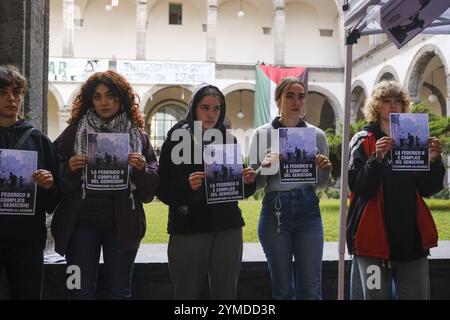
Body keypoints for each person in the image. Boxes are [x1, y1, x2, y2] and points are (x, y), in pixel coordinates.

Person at [51, 70, 159, 299]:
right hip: (78, 226)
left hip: (123, 226)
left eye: (110, 95)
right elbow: (52, 179)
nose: (104, 102)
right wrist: (69, 168)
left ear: (121, 98)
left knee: (120, 292)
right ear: (90, 100)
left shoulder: (138, 137)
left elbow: (150, 191)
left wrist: (141, 170)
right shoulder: (72, 133)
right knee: (77, 290)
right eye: (97, 96)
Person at [347, 80, 446, 300]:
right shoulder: (362, 139)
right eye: (386, 101)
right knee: (374, 297)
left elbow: (428, 188)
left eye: (398, 101)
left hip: (411, 239)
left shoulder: (415, 138)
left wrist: (435, 160)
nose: (393, 106)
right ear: (376, 106)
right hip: (372, 239)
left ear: (404, 106)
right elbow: (358, 187)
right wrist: (376, 158)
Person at [156, 84, 256, 299]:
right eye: (205, 108)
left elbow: (237, 189)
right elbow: (162, 189)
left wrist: (247, 181)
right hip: (189, 229)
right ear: (193, 109)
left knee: (226, 294)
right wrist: (186, 186)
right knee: (187, 295)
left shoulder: (229, 140)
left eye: (217, 108)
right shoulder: (176, 139)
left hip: (227, 228)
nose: (211, 114)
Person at [249, 77, 332, 300]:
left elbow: (321, 185)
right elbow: (255, 187)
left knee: (311, 288)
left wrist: (325, 170)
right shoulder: (262, 134)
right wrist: (264, 168)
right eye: (290, 96)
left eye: (301, 96)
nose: (296, 101)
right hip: (275, 210)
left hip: (308, 210)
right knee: (282, 289)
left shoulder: (317, 135)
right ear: (278, 100)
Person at [0, 65, 60, 299]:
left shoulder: (38, 140)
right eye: (3, 92)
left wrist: (48, 185)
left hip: (27, 242)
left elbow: (53, 200)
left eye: (17, 92)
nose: (11, 98)